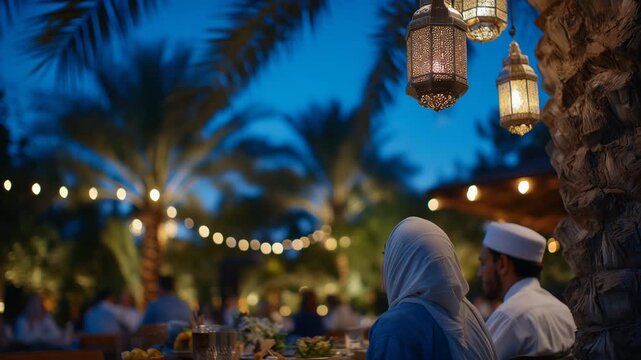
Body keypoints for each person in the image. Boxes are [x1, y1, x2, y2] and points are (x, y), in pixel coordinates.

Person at [367, 217, 496, 360]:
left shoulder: (394, 327)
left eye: (388, 254)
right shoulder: (471, 315)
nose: (384, 263)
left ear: (403, 263)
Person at [478, 222, 576, 359]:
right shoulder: (563, 311)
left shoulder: (510, 316)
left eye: (483, 263)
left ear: (502, 264)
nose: (479, 273)